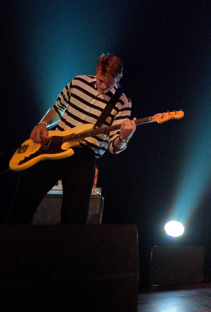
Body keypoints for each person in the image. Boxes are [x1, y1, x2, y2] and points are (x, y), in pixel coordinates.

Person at [6, 54, 136, 224]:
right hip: (52, 147)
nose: (104, 86)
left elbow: (113, 147)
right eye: (100, 80)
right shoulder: (78, 82)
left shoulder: (122, 102)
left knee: (74, 218)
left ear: (119, 78)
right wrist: (42, 123)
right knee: (24, 202)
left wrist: (124, 138)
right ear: (96, 71)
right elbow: (58, 108)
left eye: (109, 83)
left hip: (83, 159)